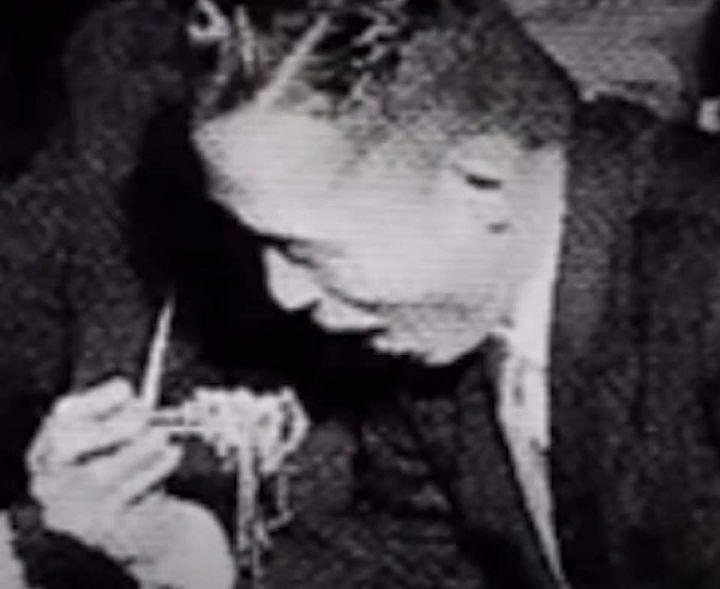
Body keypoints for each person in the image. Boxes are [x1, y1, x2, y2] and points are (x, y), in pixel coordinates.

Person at [190, 0, 720, 588]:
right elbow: (412, 557)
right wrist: (189, 561)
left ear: (481, 183)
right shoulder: (443, 316)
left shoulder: (700, 285)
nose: (283, 293)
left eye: (304, 250)